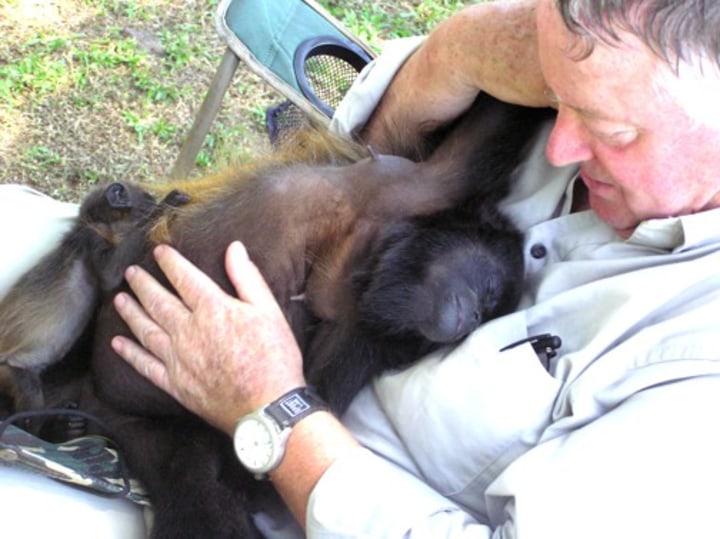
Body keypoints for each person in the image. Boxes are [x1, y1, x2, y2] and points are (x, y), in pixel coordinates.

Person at [4, 0, 720, 536]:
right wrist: (453, 57)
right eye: (558, 101)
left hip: (258, 485)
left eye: (612, 130)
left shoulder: (697, 379)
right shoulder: (592, 53)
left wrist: (273, 407)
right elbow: (355, 175)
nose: (560, 147)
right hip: (170, 295)